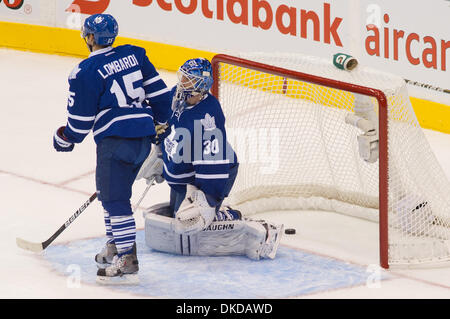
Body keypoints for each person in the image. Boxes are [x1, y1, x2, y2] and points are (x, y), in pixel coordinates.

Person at [53, 13, 172, 284]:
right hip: (142, 140)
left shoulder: (84, 72)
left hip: (115, 143)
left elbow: (80, 124)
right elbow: (160, 96)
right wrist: (160, 123)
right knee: (110, 195)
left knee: (116, 201)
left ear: (91, 37)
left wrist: (64, 138)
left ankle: (127, 258)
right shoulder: (135, 55)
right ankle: (115, 246)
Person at [137, 58, 284, 260]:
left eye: (188, 80)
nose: (182, 82)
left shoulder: (208, 118)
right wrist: (160, 156)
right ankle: (214, 211)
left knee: (190, 224)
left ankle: (239, 221)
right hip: (185, 173)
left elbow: (214, 162)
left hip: (208, 176)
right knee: (175, 216)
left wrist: (207, 200)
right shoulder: (176, 96)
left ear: (200, 86)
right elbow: (166, 126)